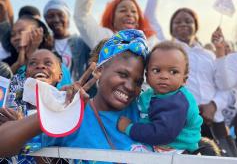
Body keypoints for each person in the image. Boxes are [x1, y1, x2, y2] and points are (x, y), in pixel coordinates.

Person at [0, 30, 177, 162]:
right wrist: (55, 111)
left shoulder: (144, 112)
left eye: (137, 81)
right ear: (99, 70)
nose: (130, 86)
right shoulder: (75, 114)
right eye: (122, 75)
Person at [146, 0, 228, 134]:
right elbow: (149, 17)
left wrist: (214, 105)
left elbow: (224, 87)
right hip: (178, 124)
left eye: (188, 21)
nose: (183, 24)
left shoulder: (209, 55)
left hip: (213, 125)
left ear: (196, 27)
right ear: (171, 28)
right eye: (178, 21)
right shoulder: (167, 49)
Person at [118, 41, 202, 153]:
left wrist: (129, 128)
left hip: (178, 150)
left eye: (173, 72)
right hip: (158, 145)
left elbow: (162, 133)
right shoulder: (150, 94)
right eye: (156, 70)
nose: (164, 76)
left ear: (184, 80)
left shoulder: (178, 101)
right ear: (147, 76)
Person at [43, 0, 91, 81]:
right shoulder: (43, 44)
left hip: (77, 92)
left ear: (68, 17)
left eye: (60, 15)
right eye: (51, 16)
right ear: (46, 20)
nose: (56, 20)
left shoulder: (81, 42)